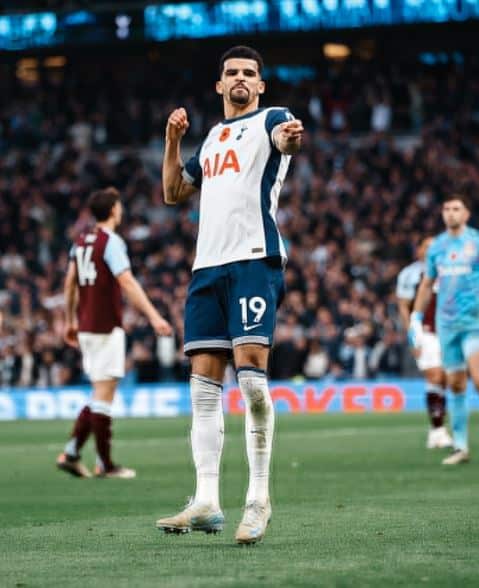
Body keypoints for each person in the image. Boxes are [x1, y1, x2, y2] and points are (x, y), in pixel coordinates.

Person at [156, 45, 303, 544]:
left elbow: (288, 141)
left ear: (260, 85)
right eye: (231, 73)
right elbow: (174, 193)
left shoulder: (272, 120)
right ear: (219, 85)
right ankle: (206, 501)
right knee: (202, 389)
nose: (240, 79)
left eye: (249, 74)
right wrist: (172, 142)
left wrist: (290, 137)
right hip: (207, 268)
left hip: (253, 260)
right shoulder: (214, 138)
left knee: (252, 381)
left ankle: (259, 499)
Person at [56, 187, 172, 479]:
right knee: (104, 395)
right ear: (113, 210)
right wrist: (154, 315)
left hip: (85, 326)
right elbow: (127, 282)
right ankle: (105, 464)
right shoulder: (111, 241)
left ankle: (71, 453)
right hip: (106, 326)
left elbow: (70, 283)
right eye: (119, 206)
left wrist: (70, 320)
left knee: (99, 392)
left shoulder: (80, 241)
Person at [410, 187, 479, 465]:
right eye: (447, 209)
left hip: (475, 322)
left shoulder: (475, 242)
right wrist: (415, 317)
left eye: (456, 209)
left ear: (466, 214)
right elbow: (427, 284)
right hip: (446, 325)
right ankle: (460, 446)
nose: (450, 213)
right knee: (456, 383)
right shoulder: (437, 246)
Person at [396, 236, 452, 449]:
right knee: (436, 374)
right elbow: (403, 306)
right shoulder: (410, 274)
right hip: (425, 331)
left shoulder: (450, 270)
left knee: (444, 379)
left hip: (449, 330)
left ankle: (436, 429)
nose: (430, 251)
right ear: (418, 250)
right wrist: (412, 334)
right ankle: (438, 428)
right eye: (426, 247)